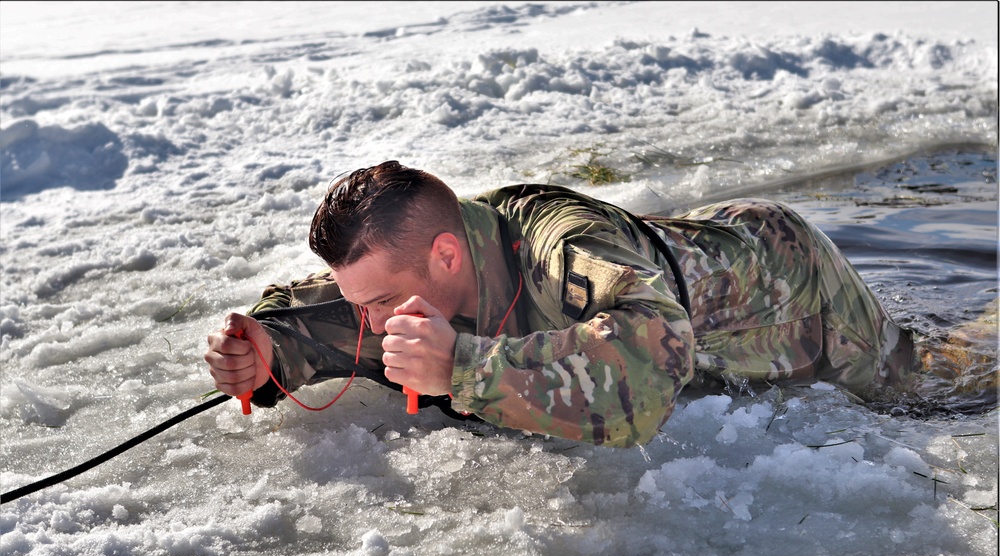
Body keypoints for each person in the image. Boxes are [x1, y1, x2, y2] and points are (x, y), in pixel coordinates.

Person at [204, 161, 916, 447]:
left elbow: (653, 359)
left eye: (387, 300)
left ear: (447, 255)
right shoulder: (407, 276)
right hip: (678, 256)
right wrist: (265, 349)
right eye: (368, 304)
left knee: (926, 382)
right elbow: (332, 308)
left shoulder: (561, 252)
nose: (376, 322)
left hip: (788, 284)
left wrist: (466, 368)